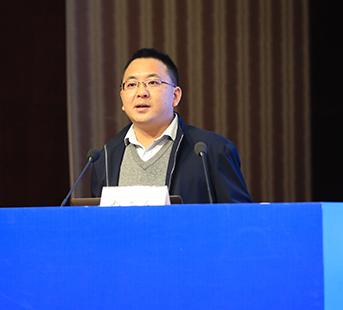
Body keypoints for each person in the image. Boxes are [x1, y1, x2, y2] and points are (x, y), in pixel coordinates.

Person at [90, 48, 252, 203]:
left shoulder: (211, 151)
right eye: (132, 85)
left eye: (152, 82)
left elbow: (240, 216)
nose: (141, 92)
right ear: (122, 98)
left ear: (175, 96)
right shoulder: (104, 159)